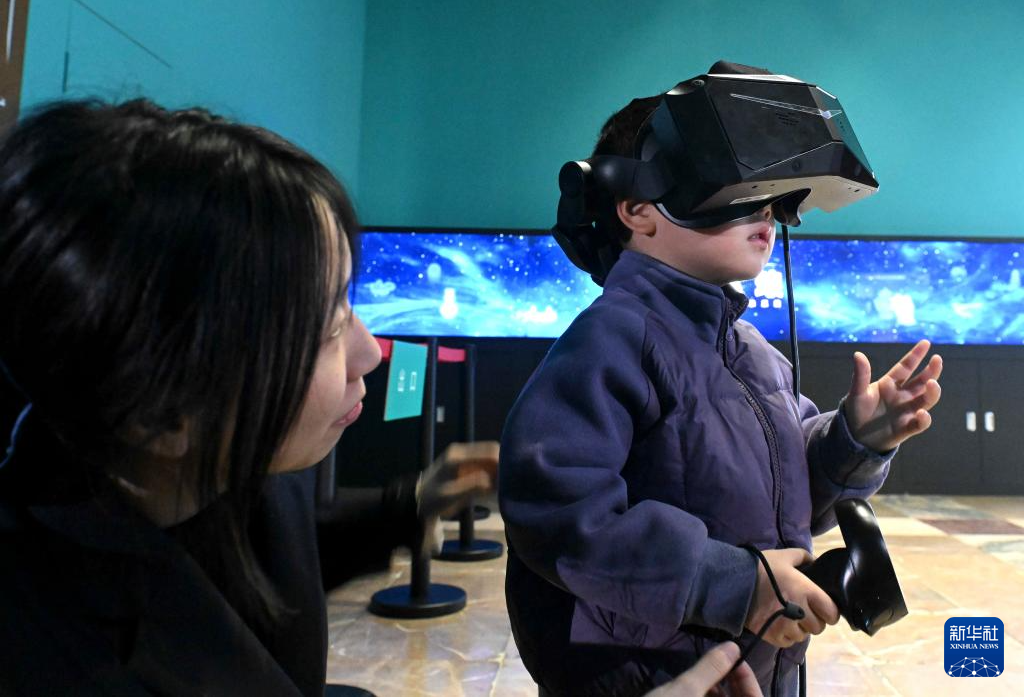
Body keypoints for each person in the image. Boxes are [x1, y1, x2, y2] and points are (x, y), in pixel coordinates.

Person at [0, 98, 495, 695]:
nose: (369, 353)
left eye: (348, 301)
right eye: (328, 326)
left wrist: (410, 505)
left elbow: (263, 564)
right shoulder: (62, 663)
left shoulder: (213, 466)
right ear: (161, 411)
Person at [498, 66, 944, 696]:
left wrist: (855, 439)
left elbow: (794, 493)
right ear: (638, 210)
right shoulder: (612, 340)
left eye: (772, 193)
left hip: (757, 666)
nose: (766, 208)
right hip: (647, 676)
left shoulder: (754, 353)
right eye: (733, 185)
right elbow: (558, 513)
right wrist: (740, 585)